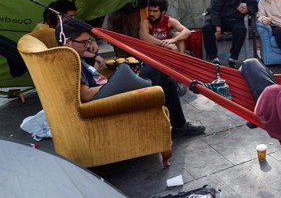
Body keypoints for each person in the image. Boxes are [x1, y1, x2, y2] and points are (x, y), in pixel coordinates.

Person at [56, 18, 205, 136]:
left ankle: (179, 126)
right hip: (110, 99)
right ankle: (184, 84)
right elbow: (86, 94)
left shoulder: (76, 56)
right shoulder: (71, 62)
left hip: (110, 91)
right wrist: (115, 83)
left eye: (88, 41)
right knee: (156, 64)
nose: (87, 45)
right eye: (84, 42)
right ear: (68, 42)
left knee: (168, 81)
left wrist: (93, 55)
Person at [202, 0, 258, 68]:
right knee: (206, 28)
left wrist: (247, 9)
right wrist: (218, 27)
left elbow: (253, 4)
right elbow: (214, 8)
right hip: (220, 19)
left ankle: (233, 58)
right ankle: (214, 57)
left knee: (241, 29)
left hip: (235, 19)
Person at [35, 0, 104, 68]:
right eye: (70, 16)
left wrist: (92, 40)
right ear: (57, 16)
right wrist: (94, 56)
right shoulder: (46, 31)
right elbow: (68, 50)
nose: (73, 19)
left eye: (74, 16)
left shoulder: (62, 26)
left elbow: (81, 35)